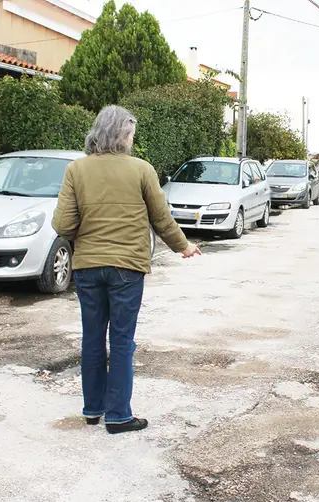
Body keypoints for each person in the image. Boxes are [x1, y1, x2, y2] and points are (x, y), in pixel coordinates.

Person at [52, 105, 201, 434]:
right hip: (127, 269)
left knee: (92, 339)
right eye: (130, 134)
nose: (132, 139)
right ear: (122, 136)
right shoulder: (141, 170)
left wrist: (87, 233)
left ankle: (93, 409)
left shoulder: (76, 170)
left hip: (88, 267)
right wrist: (183, 246)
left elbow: (62, 224)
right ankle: (118, 415)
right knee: (121, 341)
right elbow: (161, 218)